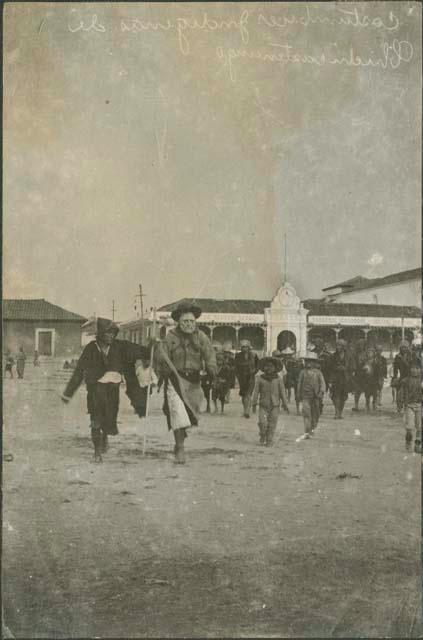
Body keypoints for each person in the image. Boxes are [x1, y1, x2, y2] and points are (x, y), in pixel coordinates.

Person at [62, 317, 151, 462]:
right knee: (96, 419)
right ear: (100, 334)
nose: (111, 336)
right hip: (95, 390)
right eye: (107, 333)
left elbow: (138, 351)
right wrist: (68, 393)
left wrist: (152, 348)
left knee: (109, 419)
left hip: (112, 391)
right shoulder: (91, 348)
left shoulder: (119, 346)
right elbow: (79, 371)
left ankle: (104, 437)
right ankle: (97, 452)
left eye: (113, 333)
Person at [155, 302, 216, 464]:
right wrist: (162, 366)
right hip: (175, 380)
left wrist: (211, 368)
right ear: (178, 322)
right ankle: (180, 447)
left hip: (194, 381)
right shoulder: (170, 337)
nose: (188, 324)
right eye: (185, 321)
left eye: (191, 321)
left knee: (188, 415)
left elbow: (209, 354)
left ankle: (180, 438)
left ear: (195, 321)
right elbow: (161, 357)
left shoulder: (201, 337)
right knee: (177, 413)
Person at [252, 357, 289, 446]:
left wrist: (285, 404)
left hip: (275, 405)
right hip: (263, 405)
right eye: (267, 366)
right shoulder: (260, 378)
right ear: (264, 368)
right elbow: (256, 391)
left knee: (272, 423)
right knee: (262, 422)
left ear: (275, 368)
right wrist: (254, 403)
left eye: (271, 366)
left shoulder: (278, 379)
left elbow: (282, 392)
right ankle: (262, 434)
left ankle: (269, 440)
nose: (269, 368)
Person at [297, 351, 326, 438]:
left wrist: (321, 392)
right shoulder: (302, 372)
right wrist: (298, 394)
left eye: (311, 361)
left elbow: (323, 383)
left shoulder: (318, 373)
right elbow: (299, 384)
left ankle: (312, 427)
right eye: (307, 361)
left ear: (315, 363)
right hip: (305, 396)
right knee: (306, 413)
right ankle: (307, 430)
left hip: (316, 396)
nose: (308, 363)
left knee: (315, 414)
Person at [327, 339, 354, 419]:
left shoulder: (349, 356)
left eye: (339, 345)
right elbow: (330, 367)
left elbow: (353, 367)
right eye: (337, 345)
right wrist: (337, 368)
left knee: (343, 396)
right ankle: (336, 412)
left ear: (343, 347)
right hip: (336, 378)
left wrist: (345, 368)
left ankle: (340, 412)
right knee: (335, 396)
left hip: (345, 378)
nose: (337, 347)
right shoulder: (333, 356)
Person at [400, 363, 422, 453]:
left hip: (420, 406)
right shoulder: (406, 380)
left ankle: (417, 445)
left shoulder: (421, 380)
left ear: (420, 370)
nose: (415, 370)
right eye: (413, 368)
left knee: (420, 427)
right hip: (409, 406)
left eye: (417, 368)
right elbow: (401, 392)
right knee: (409, 427)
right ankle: (408, 441)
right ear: (410, 369)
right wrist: (401, 401)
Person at [234, 340, 258, 418]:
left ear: (249, 347)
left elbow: (258, 365)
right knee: (244, 395)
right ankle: (245, 410)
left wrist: (254, 371)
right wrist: (237, 376)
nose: (244, 348)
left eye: (246, 347)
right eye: (243, 347)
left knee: (248, 395)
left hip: (251, 377)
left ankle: (247, 411)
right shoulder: (238, 356)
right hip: (242, 378)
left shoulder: (254, 355)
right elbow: (236, 367)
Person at [392, 340, 412, 413]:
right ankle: (399, 407)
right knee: (399, 392)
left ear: (408, 348)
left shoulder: (411, 356)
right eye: (402, 347)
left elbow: (412, 367)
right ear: (400, 348)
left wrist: (404, 361)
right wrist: (395, 377)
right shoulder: (397, 357)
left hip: (410, 376)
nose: (404, 349)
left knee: (408, 393)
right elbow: (395, 368)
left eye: (405, 347)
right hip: (402, 376)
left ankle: (407, 407)